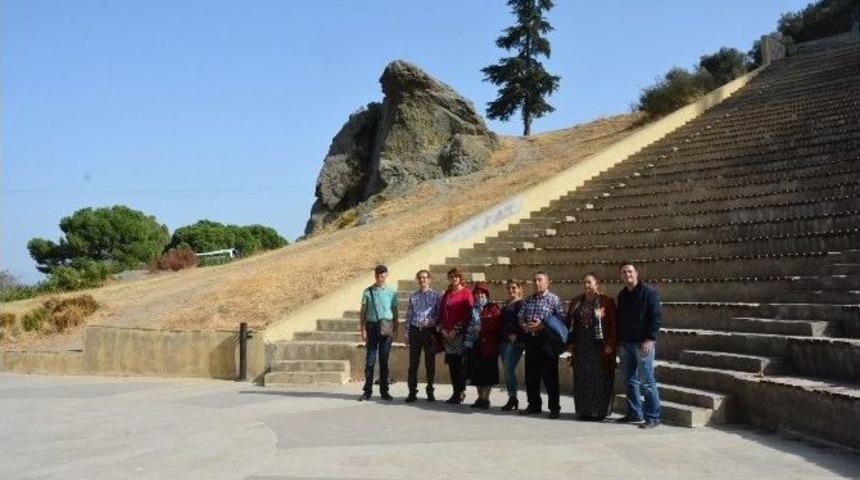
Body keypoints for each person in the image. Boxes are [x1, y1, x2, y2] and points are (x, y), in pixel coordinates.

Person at [615, 261, 663, 428]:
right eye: (624, 272)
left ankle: (653, 417)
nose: (627, 275)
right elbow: (620, 320)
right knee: (630, 380)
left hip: (643, 344)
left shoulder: (649, 293)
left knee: (647, 381)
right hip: (626, 343)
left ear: (636, 273)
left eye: (630, 271)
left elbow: (656, 317)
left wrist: (650, 339)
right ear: (621, 276)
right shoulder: (622, 295)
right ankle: (635, 414)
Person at [566, 273, 618, 421]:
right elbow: (569, 324)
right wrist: (569, 343)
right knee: (582, 378)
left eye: (589, 282)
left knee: (600, 379)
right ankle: (584, 410)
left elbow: (614, 325)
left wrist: (611, 344)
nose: (587, 286)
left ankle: (600, 411)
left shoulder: (606, 302)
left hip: (600, 347)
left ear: (597, 284)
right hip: (581, 346)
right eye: (585, 283)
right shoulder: (576, 302)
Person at [517, 271, 566, 419]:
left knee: (550, 377)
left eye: (540, 280)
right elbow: (520, 317)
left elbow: (560, 319)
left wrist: (542, 325)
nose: (536, 283)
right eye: (534, 280)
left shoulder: (554, 299)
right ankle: (534, 405)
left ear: (547, 282)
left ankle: (554, 408)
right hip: (531, 341)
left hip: (548, 342)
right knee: (531, 375)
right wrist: (525, 325)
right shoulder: (528, 300)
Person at [358, 264, 399, 401]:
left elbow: (394, 310)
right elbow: (363, 311)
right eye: (377, 274)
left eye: (382, 274)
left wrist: (396, 327)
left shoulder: (391, 292)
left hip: (387, 327)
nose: (379, 277)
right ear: (375, 275)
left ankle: (384, 391)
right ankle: (367, 391)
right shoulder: (368, 291)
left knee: (384, 361)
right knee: (370, 360)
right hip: (372, 327)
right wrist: (362, 329)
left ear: (386, 275)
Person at [438, 268, 474, 404]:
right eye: (451, 276)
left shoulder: (466, 293)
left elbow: (468, 314)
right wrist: (443, 330)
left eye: (456, 276)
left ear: (460, 278)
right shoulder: (447, 293)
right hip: (447, 335)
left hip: (459, 335)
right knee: (452, 364)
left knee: (459, 365)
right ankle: (455, 392)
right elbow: (441, 313)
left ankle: (460, 392)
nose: (454, 278)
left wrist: (455, 330)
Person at [404, 269, 442, 403]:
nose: (422, 280)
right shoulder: (413, 296)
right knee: (413, 364)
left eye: (425, 278)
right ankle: (412, 391)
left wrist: (433, 322)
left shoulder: (436, 296)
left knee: (430, 363)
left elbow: (440, 315)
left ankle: (430, 391)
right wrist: (407, 334)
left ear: (429, 279)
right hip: (415, 331)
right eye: (420, 278)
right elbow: (409, 316)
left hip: (429, 332)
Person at [468, 282, 502, 409]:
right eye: (477, 293)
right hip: (475, 343)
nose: (479, 295)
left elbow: (496, 325)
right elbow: (468, 324)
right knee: (476, 373)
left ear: (486, 294)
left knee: (488, 373)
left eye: (482, 292)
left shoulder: (493, 307)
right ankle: (479, 398)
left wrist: (482, 326)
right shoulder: (472, 308)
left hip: (489, 345)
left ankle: (486, 399)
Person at [499, 279, 525, 411]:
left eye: (514, 288)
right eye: (509, 288)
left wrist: (515, 334)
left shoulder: (521, 304)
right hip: (503, 342)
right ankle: (512, 397)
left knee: (509, 369)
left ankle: (513, 397)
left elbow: (523, 323)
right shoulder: (506, 304)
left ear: (519, 289)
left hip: (515, 342)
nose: (511, 290)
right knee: (507, 370)